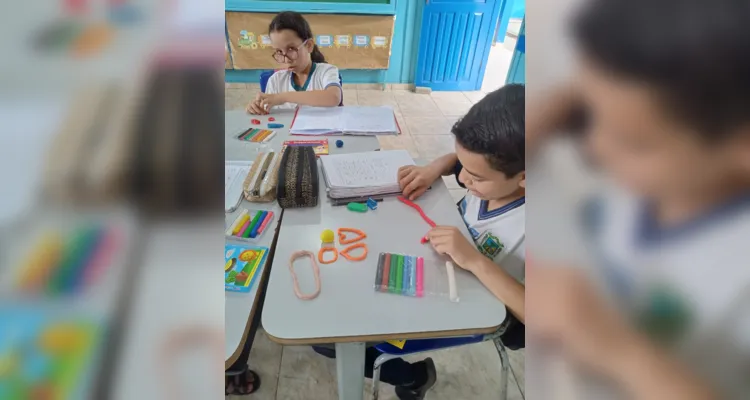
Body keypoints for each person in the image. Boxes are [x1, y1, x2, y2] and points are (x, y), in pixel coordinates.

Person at [526, 0, 750, 398]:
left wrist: (621, 351)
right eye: (590, 117)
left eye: (634, 142)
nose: (594, 148)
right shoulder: (644, 187)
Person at [246, 11, 342, 114]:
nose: (286, 60)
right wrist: (256, 108)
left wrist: (283, 97)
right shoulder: (275, 80)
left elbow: (333, 97)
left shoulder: (326, 71)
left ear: (309, 45)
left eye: (291, 49)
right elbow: (268, 117)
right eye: (279, 51)